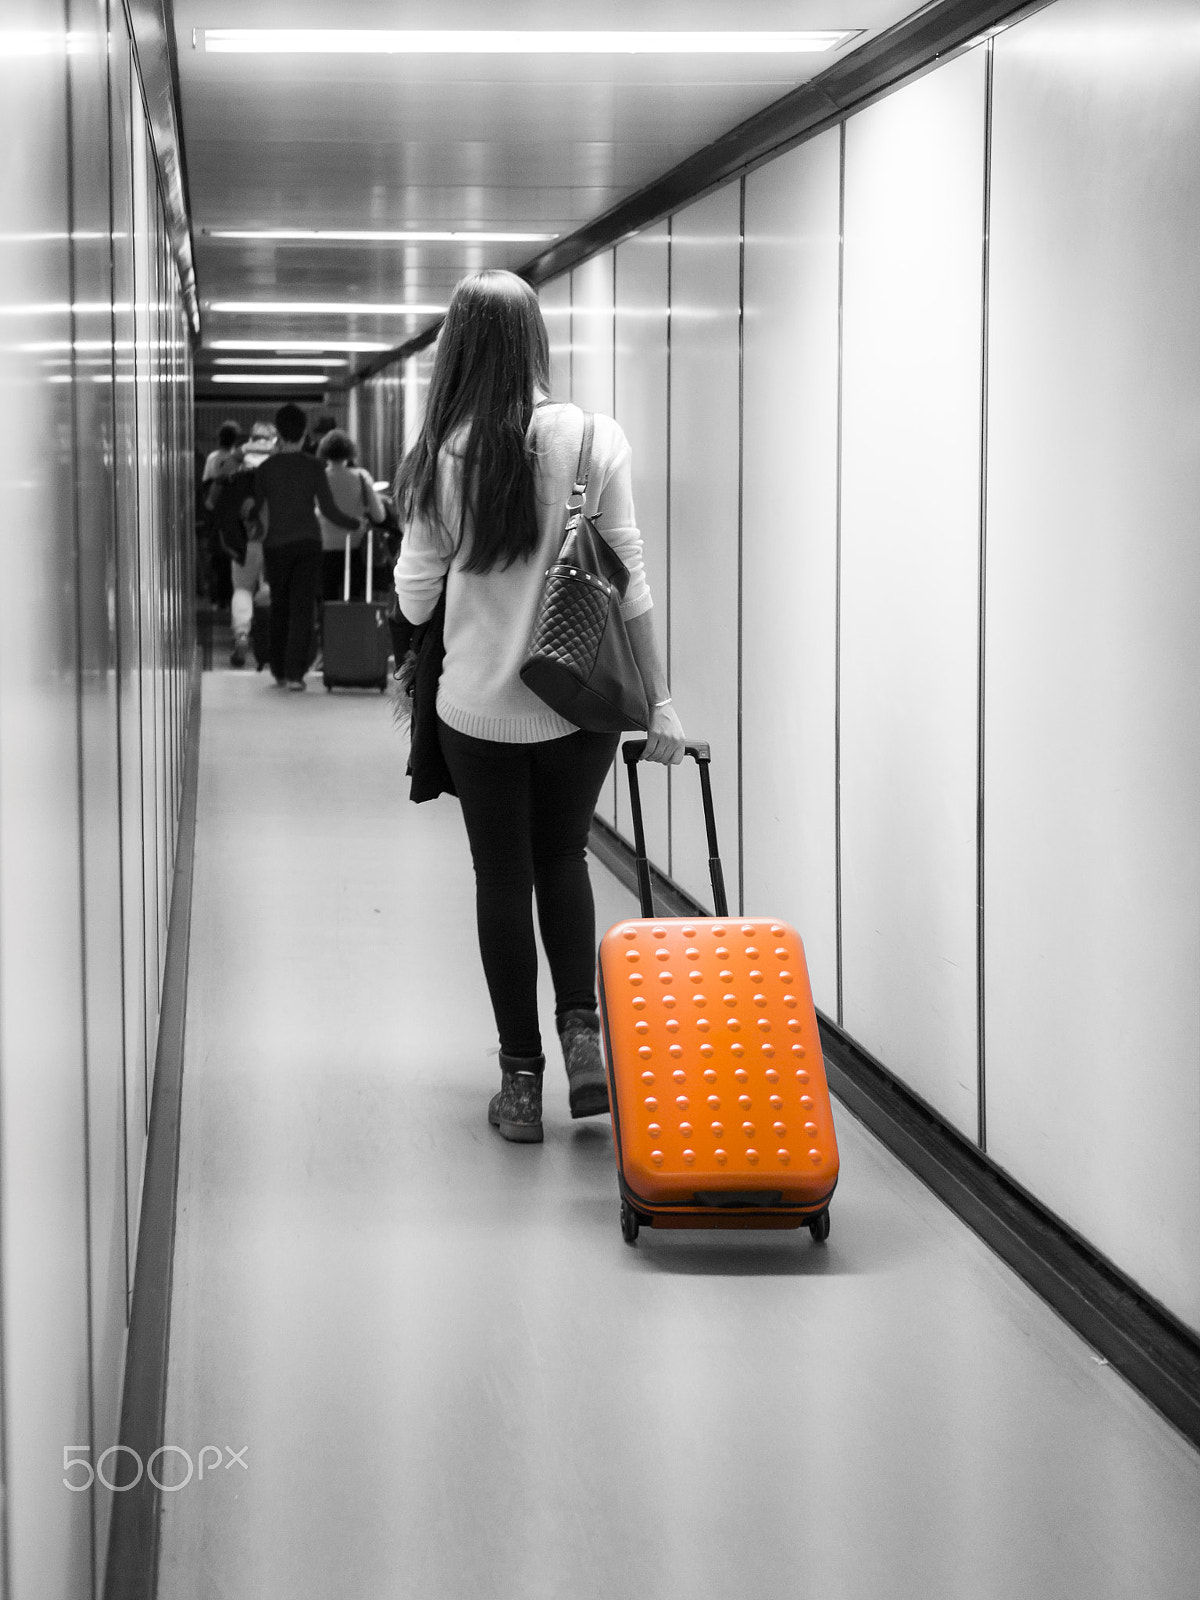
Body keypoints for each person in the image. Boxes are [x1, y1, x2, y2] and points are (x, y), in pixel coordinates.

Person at [394, 269, 685, 1144]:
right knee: (563, 860)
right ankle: (583, 1038)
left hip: (477, 712)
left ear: (457, 349)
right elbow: (628, 581)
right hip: (577, 707)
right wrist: (660, 702)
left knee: (501, 877)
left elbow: (413, 604)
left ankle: (520, 1085)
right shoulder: (597, 439)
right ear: (536, 343)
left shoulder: (443, 456)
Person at [253, 402, 359, 689]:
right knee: (302, 609)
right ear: (303, 434)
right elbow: (328, 509)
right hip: (308, 546)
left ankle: (277, 669)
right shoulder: (314, 467)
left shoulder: (265, 469)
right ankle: (295, 673)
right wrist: (354, 523)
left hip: (275, 546)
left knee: (280, 606)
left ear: (279, 433)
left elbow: (256, 513)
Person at [202, 422, 262, 667]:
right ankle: (271, 640)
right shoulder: (279, 464)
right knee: (269, 589)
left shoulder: (231, 468)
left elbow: (210, 503)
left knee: (242, 590)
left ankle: (241, 635)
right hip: (273, 537)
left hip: (242, 539)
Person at [315, 428, 386, 603]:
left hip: (325, 546)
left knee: (327, 598)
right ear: (349, 452)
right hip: (355, 546)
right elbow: (379, 516)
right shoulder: (361, 477)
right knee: (354, 597)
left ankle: (327, 629)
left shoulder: (319, 478)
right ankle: (352, 629)